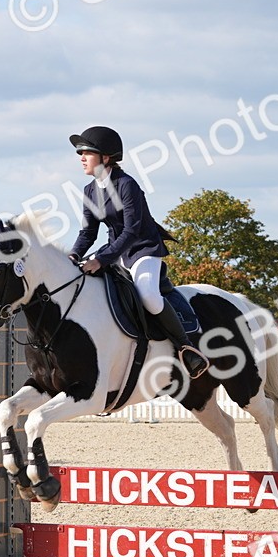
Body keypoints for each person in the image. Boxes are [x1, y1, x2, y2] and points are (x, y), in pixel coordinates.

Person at [68, 125, 209, 379]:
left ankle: (186, 347)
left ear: (106, 158)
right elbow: (88, 233)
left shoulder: (126, 185)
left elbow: (132, 230)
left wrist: (101, 260)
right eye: (80, 152)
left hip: (143, 249)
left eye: (87, 152)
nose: (81, 157)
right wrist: (74, 256)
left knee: (149, 297)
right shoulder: (89, 191)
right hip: (114, 250)